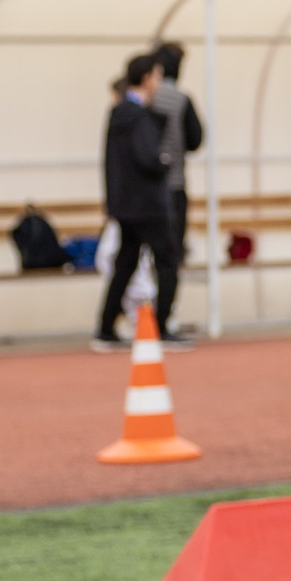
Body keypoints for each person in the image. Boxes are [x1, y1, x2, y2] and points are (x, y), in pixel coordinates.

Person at [95, 54, 182, 351]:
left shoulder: (118, 114)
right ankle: (161, 327)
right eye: (156, 77)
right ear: (146, 78)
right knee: (168, 260)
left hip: (125, 204)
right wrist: (164, 162)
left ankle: (105, 327)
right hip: (148, 205)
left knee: (126, 264)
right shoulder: (139, 117)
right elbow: (148, 159)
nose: (158, 83)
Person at [148, 42, 205, 334]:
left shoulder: (145, 99)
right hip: (174, 187)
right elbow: (196, 140)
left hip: (144, 190)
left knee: (138, 258)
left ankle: (139, 316)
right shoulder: (181, 99)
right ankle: (164, 319)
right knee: (170, 258)